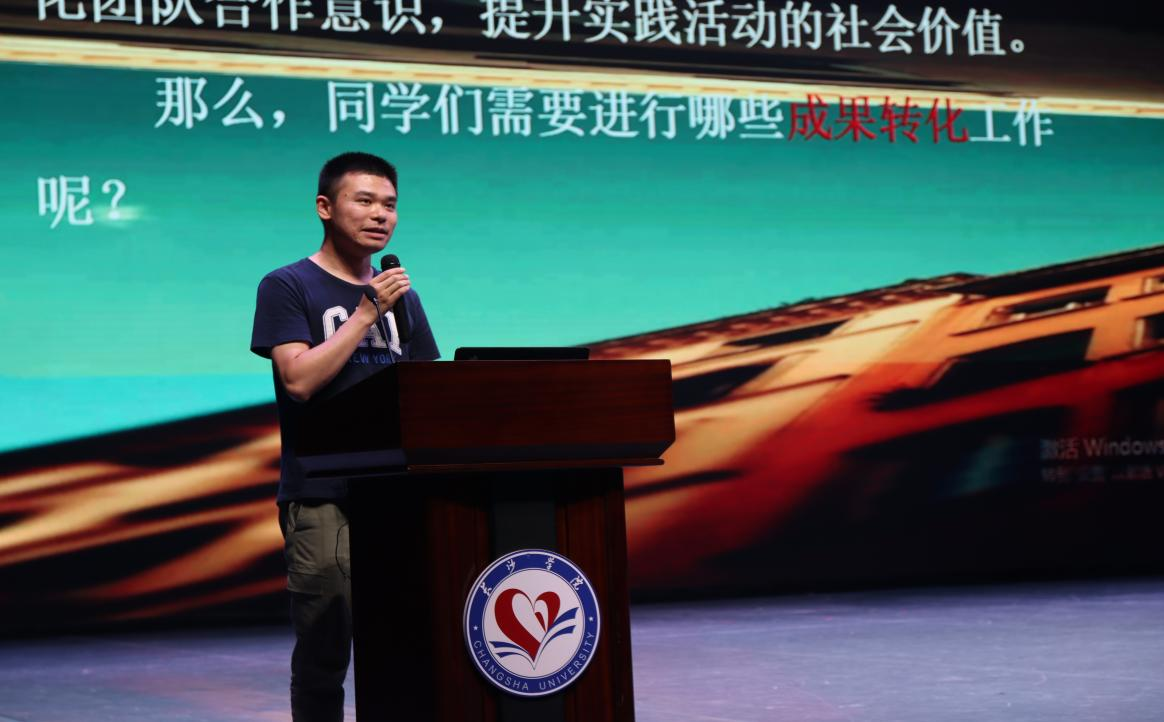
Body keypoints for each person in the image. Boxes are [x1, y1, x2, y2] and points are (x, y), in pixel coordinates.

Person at [250, 152, 440, 721]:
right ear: (325, 207)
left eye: (390, 205)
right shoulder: (288, 285)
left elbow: (428, 389)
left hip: (397, 493)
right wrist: (364, 315)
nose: (380, 215)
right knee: (325, 648)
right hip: (322, 493)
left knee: (403, 644)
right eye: (365, 201)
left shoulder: (402, 296)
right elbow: (298, 380)